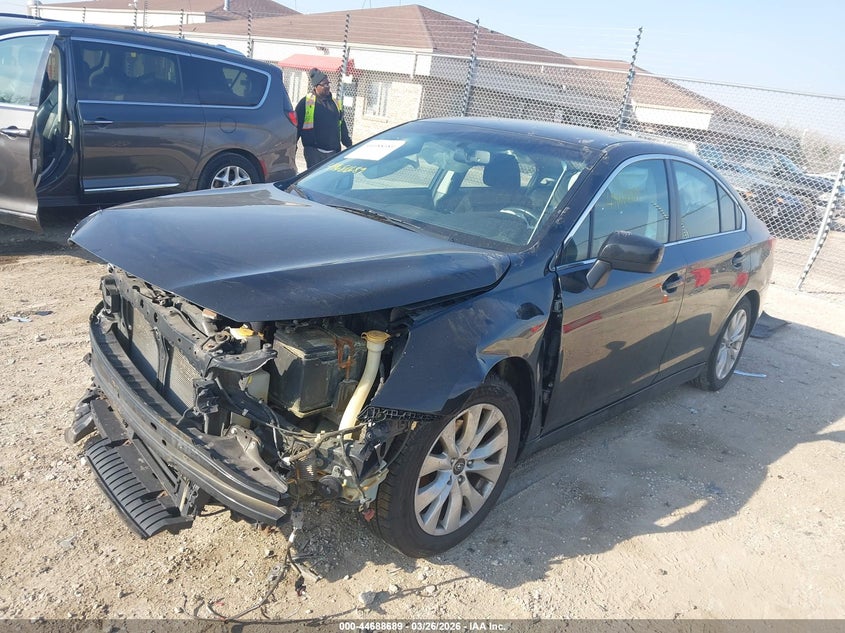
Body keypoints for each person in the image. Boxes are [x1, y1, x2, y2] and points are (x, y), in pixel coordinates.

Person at [295, 68, 352, 168]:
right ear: (316, 86)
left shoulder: (336, 103)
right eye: (324, 84)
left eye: (328, 84)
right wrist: (292, 146)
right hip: (314, 152)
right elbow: (296, 126)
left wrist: (349, 145)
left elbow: (342, 126)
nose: (328, 87)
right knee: (314, 177)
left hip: (333, 153)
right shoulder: (306, 102)